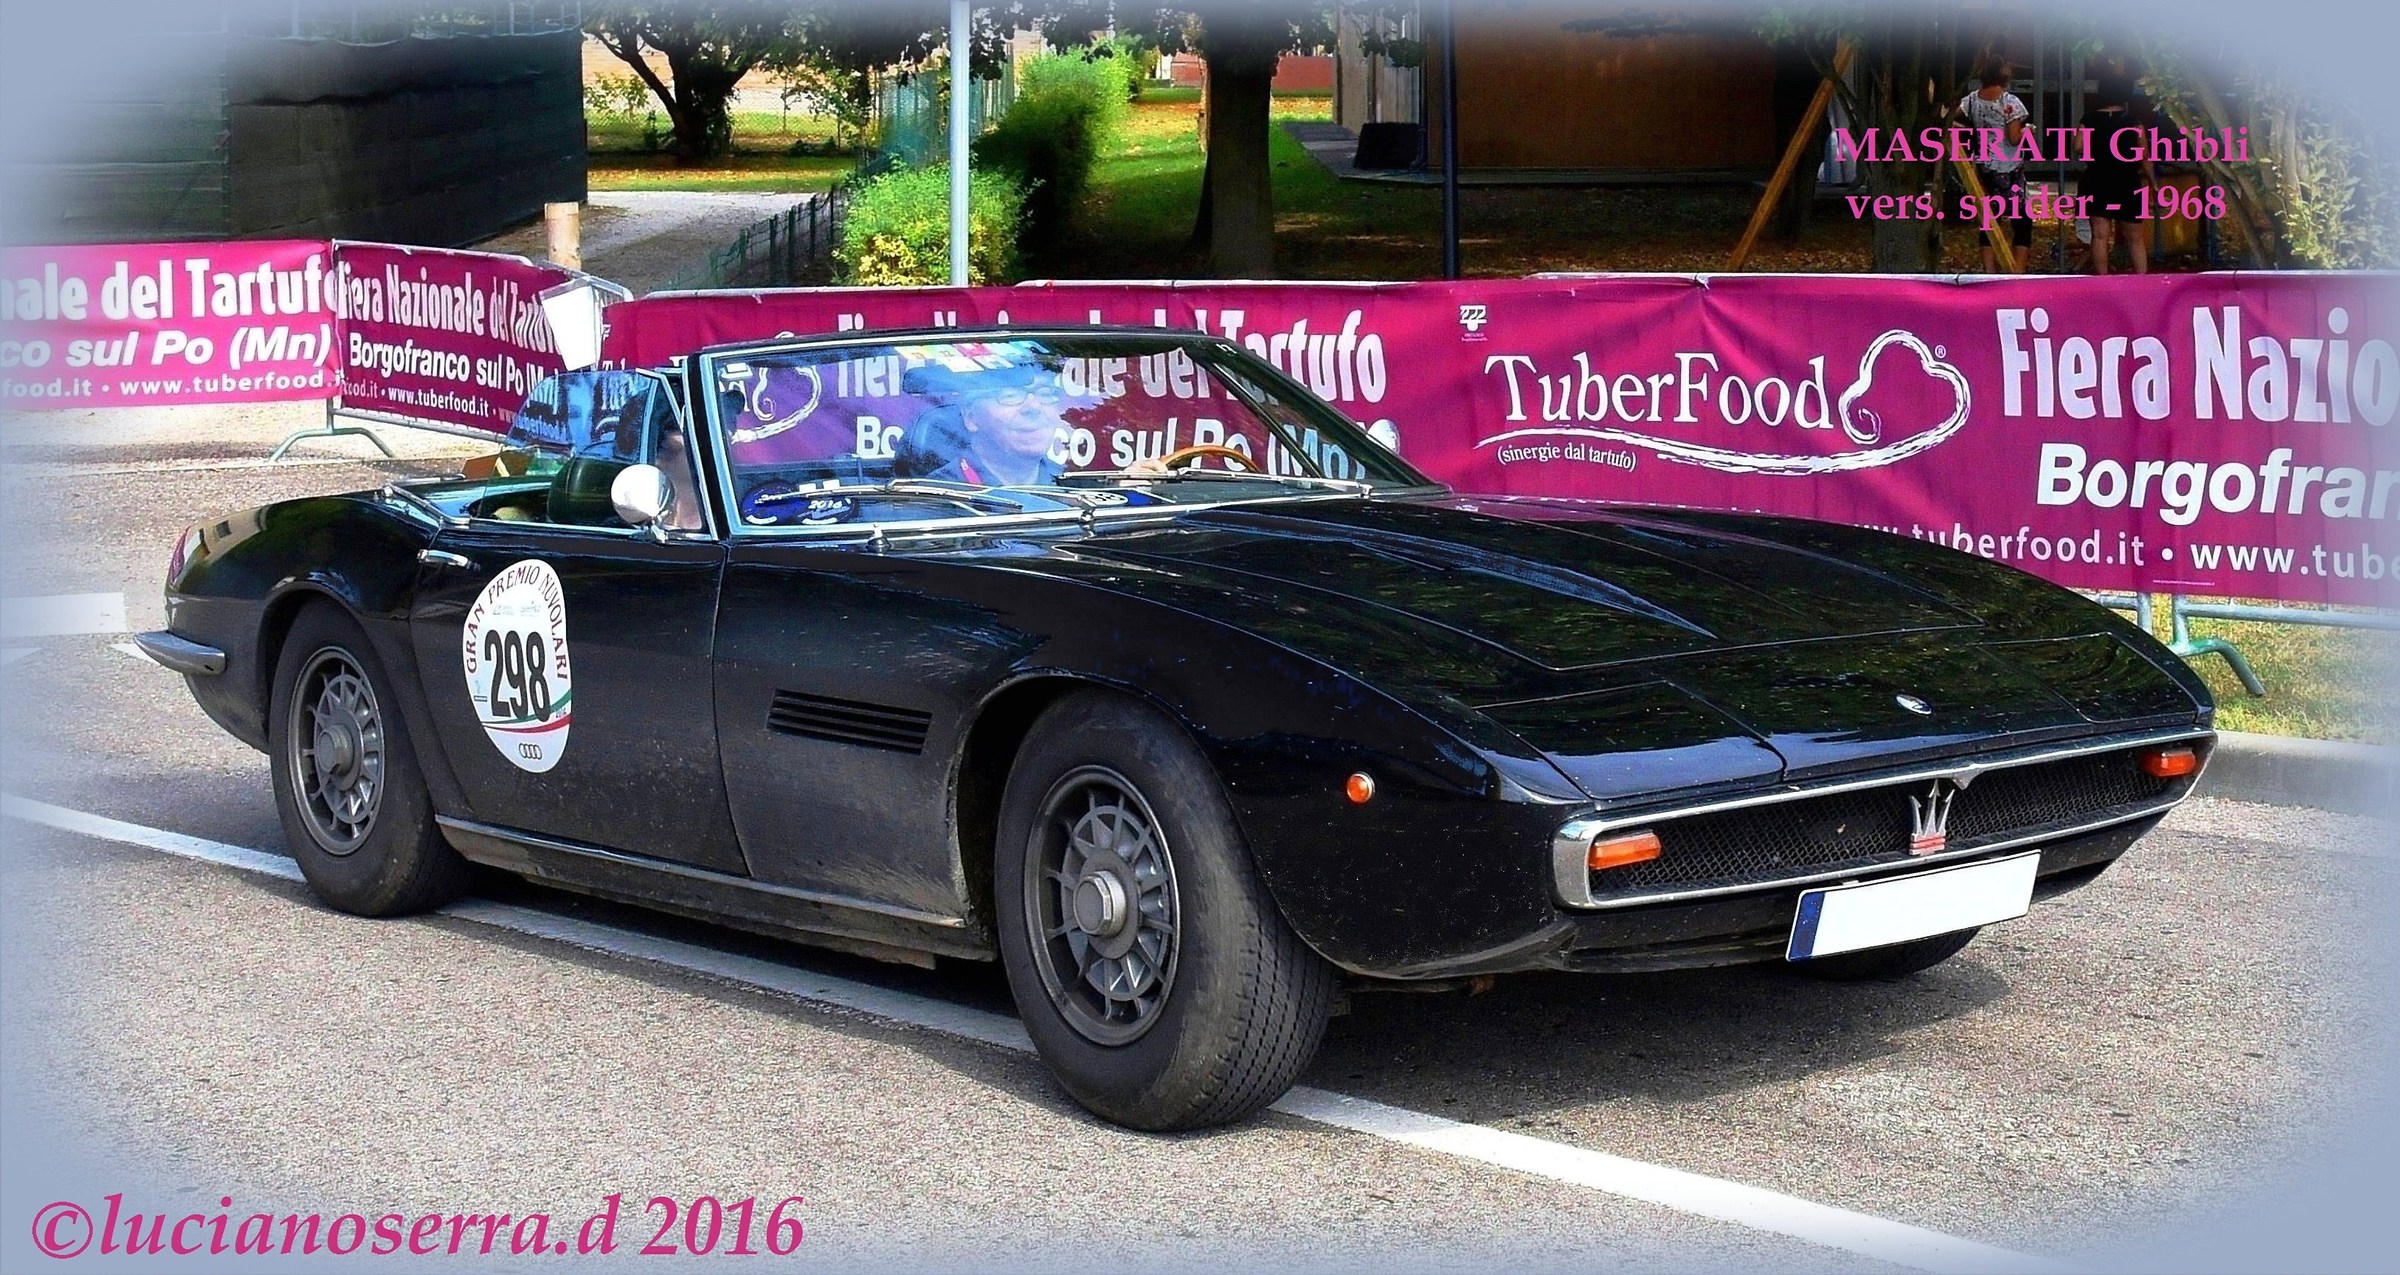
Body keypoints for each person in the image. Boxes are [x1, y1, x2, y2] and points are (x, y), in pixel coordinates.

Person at [924, 363, 1071, 487]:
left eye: (1045, 394)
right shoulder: (935, 501)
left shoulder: (1072, 486)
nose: (1033, 407)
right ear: (971, 417)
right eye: (1010, 395)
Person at [1959, 58, 2033, 273]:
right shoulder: (2009, 102)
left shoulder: (1972, 100)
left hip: (1983, 165)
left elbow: (1950, 117)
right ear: (2005, 76)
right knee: (2022, 219)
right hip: (2008, 166)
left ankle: (1989, 272)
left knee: (1990, 219)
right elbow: (2013, 138)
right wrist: (2028, 130)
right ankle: (2017, 272)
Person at [2079, 73, 2157, 275]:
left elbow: (2077, 146)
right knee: (2135, 237)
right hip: (2127, 181)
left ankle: (2102, 282)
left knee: (2099, 236)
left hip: (2096, 179)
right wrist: (2153, 184)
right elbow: (2145, 158)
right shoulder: (2133, 122)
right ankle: (2142, 281)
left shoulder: (2088, 120)